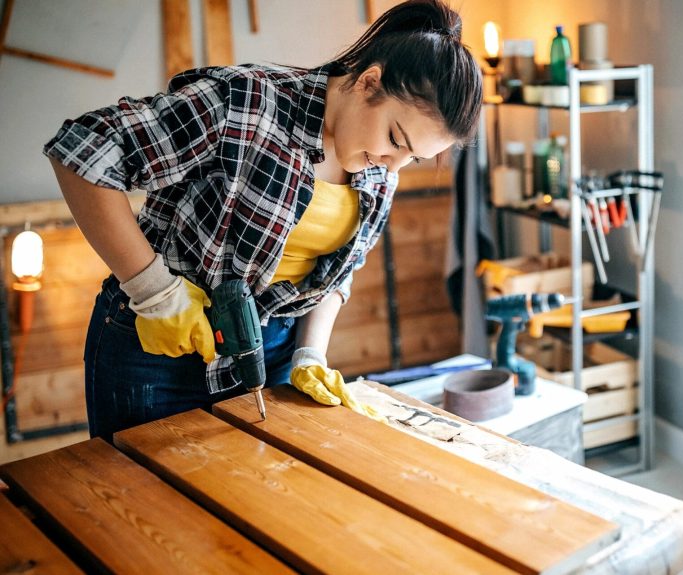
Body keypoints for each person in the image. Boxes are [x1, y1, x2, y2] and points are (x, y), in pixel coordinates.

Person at [44, 0, 482, 442]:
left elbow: (336, 277)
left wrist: (310, 355)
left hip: (270, 350)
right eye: (394, 139)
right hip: (157, 348)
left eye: (414, 158)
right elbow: (83, 151)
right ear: (369, 81)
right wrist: (155, 291)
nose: (393, 167)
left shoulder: (380, 170)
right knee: (138, 498)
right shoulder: (247, 102)